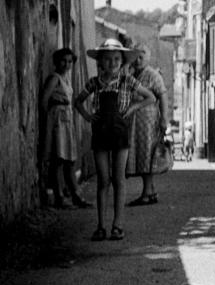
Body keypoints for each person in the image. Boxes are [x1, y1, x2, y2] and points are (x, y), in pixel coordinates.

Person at [74, 38, 155, 242]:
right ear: (100, 62)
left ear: (122, 62)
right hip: (100, 133)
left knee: (119, 180)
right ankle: (101, 226)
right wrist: (87, 116)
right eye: (108, 60)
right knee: (103, 180)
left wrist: (132, 109)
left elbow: (150, 97)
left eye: (117, 59)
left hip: (120, 133)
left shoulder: (128, 81)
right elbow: (77, 101)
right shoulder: (94, 83)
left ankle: (117, 225)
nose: (112, 63)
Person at [40, 47, 90, 209]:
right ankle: (59, 197)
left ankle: (75, 195)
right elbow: (44, 101)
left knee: (69, 160)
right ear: (56, 62)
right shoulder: (54, 78)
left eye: (70, 61)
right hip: (57, 122)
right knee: (58, 160)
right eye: (63, 61)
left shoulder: (66, 79)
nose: (67, 64)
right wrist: (51, 119)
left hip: (67, 122)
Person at [125, 48, 170, 206]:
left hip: (149, 121)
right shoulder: (133, 74)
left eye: (141, 57)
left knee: (147, 156)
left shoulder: (152, 74)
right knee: (143, 155)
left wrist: (164, 118)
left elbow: (162, 95)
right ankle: (150, 191)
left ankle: (146, 193)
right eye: (135, 58)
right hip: (137, 122)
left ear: (147, 58)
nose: (138, 60)